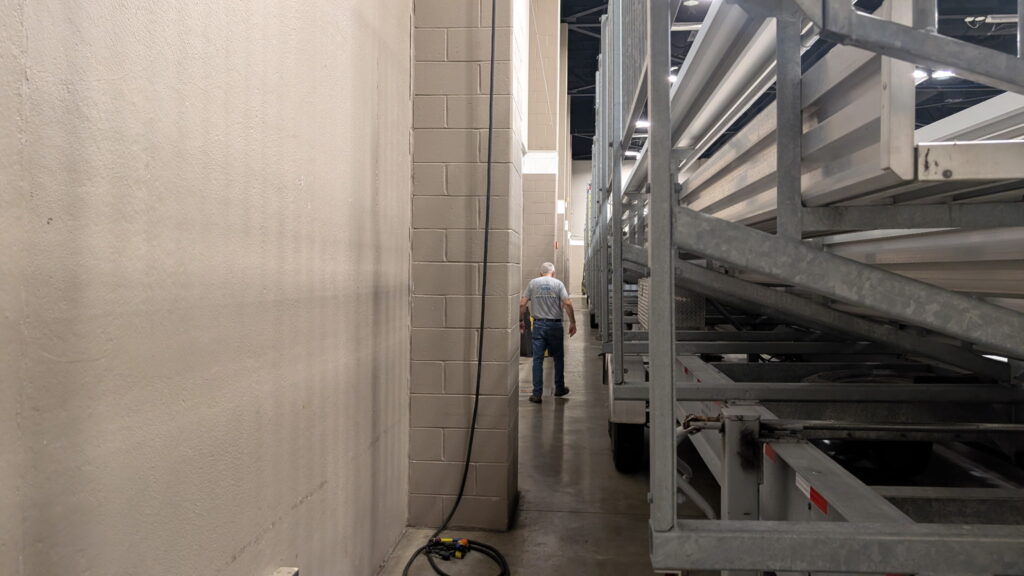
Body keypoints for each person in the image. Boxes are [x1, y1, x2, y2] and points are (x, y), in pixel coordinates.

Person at [520, 262, 577, 403]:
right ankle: (559, 388)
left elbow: (522, 303)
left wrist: (521, 320)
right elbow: (568, 303)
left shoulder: (533, 283)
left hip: (538, 325)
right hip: (555, 326)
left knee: (537, 360)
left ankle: (537, 394)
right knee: (558, 358)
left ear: (540, 273)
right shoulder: (558, 284)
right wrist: (573, 322)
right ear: (554, 272)